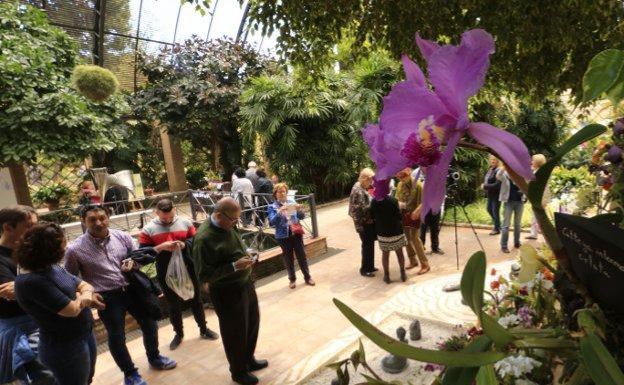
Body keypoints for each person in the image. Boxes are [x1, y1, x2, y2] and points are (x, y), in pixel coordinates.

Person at [65, 205, 177, 385]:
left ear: (108, 217)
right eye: (92, 220)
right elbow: (70, 279)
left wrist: (133, 265)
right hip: (107, 298)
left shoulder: (122, 236)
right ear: (83, 222)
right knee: (117, 336)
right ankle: (130, 373)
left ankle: (154, 358)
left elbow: (138, 259)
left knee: (150, 325)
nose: (99, 223)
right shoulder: (75, 249)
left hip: (133, 289)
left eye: (102, 218)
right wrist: (87, 294)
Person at [15, 223, 104, 385]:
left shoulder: (51, 267)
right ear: (49, 251)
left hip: (83, 333)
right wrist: (82, 296)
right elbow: (71, 310)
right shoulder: (32, 281)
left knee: (87, 378)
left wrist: (83, 294)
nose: (67, 247)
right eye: (63, 245)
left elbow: (85, 285)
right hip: (64, 346)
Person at [193, 197, 268, 385]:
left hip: (244, 283)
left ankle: (248, 360)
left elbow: (235, 245)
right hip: (226, 292)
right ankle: (238, 371)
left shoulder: (228, 224)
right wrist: (234, 266)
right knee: (234, 332)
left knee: (251, 324)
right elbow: (204, 275)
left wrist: (246, 253)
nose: (236, 224)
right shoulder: (204, 238)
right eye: (234, 220)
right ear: (218, 215)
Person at [138, 199, 218, 350]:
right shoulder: (148, 230)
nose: (168, 221)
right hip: (164, 271)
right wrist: (161, 247)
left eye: (170, 217)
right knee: (173, 304)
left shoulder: (185, 223)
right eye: (164, 218)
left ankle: (203, 329)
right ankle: (178, 333)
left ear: (174, 209)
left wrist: (183, 245)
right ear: (156, 212)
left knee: (196, 299)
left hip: (188, 267)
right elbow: (143, 254)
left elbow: (195, 241)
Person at [0, 206, 54, 385]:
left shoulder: (30, 251)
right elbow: (10, 296)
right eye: (29, 226)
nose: (35, 232)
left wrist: (24, 286)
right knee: (46, 378)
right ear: (8, 227)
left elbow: (58, 279)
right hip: (22, 328)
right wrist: (41, 284)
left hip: (45, 322)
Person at [268, 183, 315, 289]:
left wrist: (299, 210)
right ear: (275, 194)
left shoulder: (291, 202)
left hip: (296, 233)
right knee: (288, 258)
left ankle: (307, 277)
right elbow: (271, 222)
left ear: (286, 192)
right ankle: (292, 279)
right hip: (283, 236)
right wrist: (279, 212)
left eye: (283, 191)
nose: (282, 193)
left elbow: (301, 217)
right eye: (279, 192)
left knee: (301, 256)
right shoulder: (272, 207)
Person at [370, 180, 408, 284]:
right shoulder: (393, 201)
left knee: (385, 254)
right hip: (396, 232)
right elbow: (399, 217)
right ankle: (403, 273)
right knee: (399, 253)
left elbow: (372, 216)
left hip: (382, 233)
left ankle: (386, 276)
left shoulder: (374, 201)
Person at [395, 168, 430, 275]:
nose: (401, 179)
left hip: (415, 214)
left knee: (414, 238)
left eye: (403, 176)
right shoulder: (400, 185)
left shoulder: (418, 185)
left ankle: (425, 264)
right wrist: (399, 203)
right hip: (404, 215)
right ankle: (413, 260)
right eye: (399, 177)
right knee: (406, 238)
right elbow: (397, 198)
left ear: (409, 172)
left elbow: (424, 202)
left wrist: (417, 211)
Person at [348, 168, 377, 277]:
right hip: (363, 223)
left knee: (369, 244)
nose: (371, 182)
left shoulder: (359, 186)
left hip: (366, 222)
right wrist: (375, 202)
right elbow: (363, 209)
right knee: (367, 246)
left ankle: (370, 266)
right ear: (365, 179)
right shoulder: (358, 191)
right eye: (370, 180)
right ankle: (365, 269)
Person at [497, 164, 525, 253]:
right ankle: (504, 245)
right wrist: (504, 167)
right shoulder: (504, 174)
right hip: (508, 202)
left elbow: (527, 184)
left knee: (517, 224)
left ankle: (517, 242)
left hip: (519, 202)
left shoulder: (521, 174)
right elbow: (498, 176)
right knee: (506, 225)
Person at [417, 167, 444, 255]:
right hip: (424, 207)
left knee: (434, 228)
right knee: (423, 228)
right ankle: (421, 248)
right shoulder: (416, 174)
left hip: (435, 207)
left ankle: (435, 248)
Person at [526, 154, 548, 240]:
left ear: (537, 162)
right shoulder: (540, 171)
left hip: (540, 198)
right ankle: (534, 234)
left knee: (538, 216)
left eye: (533, 160)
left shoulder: (538, 172)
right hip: (541, 197)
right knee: (536, 216)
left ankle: (545, 234)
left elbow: (530, 182)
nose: (531, 162)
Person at [483, 156, 502, 235]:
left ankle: (496, 229)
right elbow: (487, 180)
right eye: (491, 160)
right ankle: (498, 225)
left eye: (494, 160)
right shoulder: (490, 169)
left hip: (496, 195)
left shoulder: (498, 170)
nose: (492, 161)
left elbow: (497, 185)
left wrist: (485, 186)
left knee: (495, 211)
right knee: (489, 209)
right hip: (490, 194)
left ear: (498, 161)